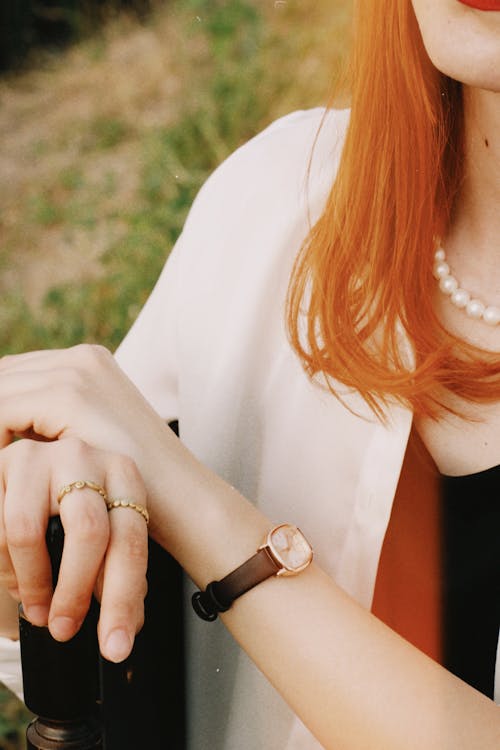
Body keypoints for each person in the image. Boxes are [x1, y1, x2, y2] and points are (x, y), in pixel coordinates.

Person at [0, 0, 499, 747]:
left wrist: (206, 517)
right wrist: (34, 556)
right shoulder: (275, 197)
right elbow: (97, 640)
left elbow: (169, 486)